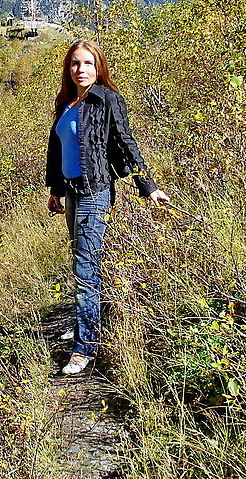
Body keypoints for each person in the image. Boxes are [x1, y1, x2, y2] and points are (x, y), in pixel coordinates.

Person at [45, 39, 169, 375]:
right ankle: (89, 324)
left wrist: (148, 187)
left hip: (94, 192)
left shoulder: (107, 100)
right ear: (68, 68)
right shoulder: (66, 102)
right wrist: (55, 190)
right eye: (74, 64)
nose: (80, 70)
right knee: (81, 261)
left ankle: (85, 347)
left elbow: (126, 144)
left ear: (98, 67)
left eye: (87, 63)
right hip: (71, 192)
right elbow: (59, 148)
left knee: (85, 270)